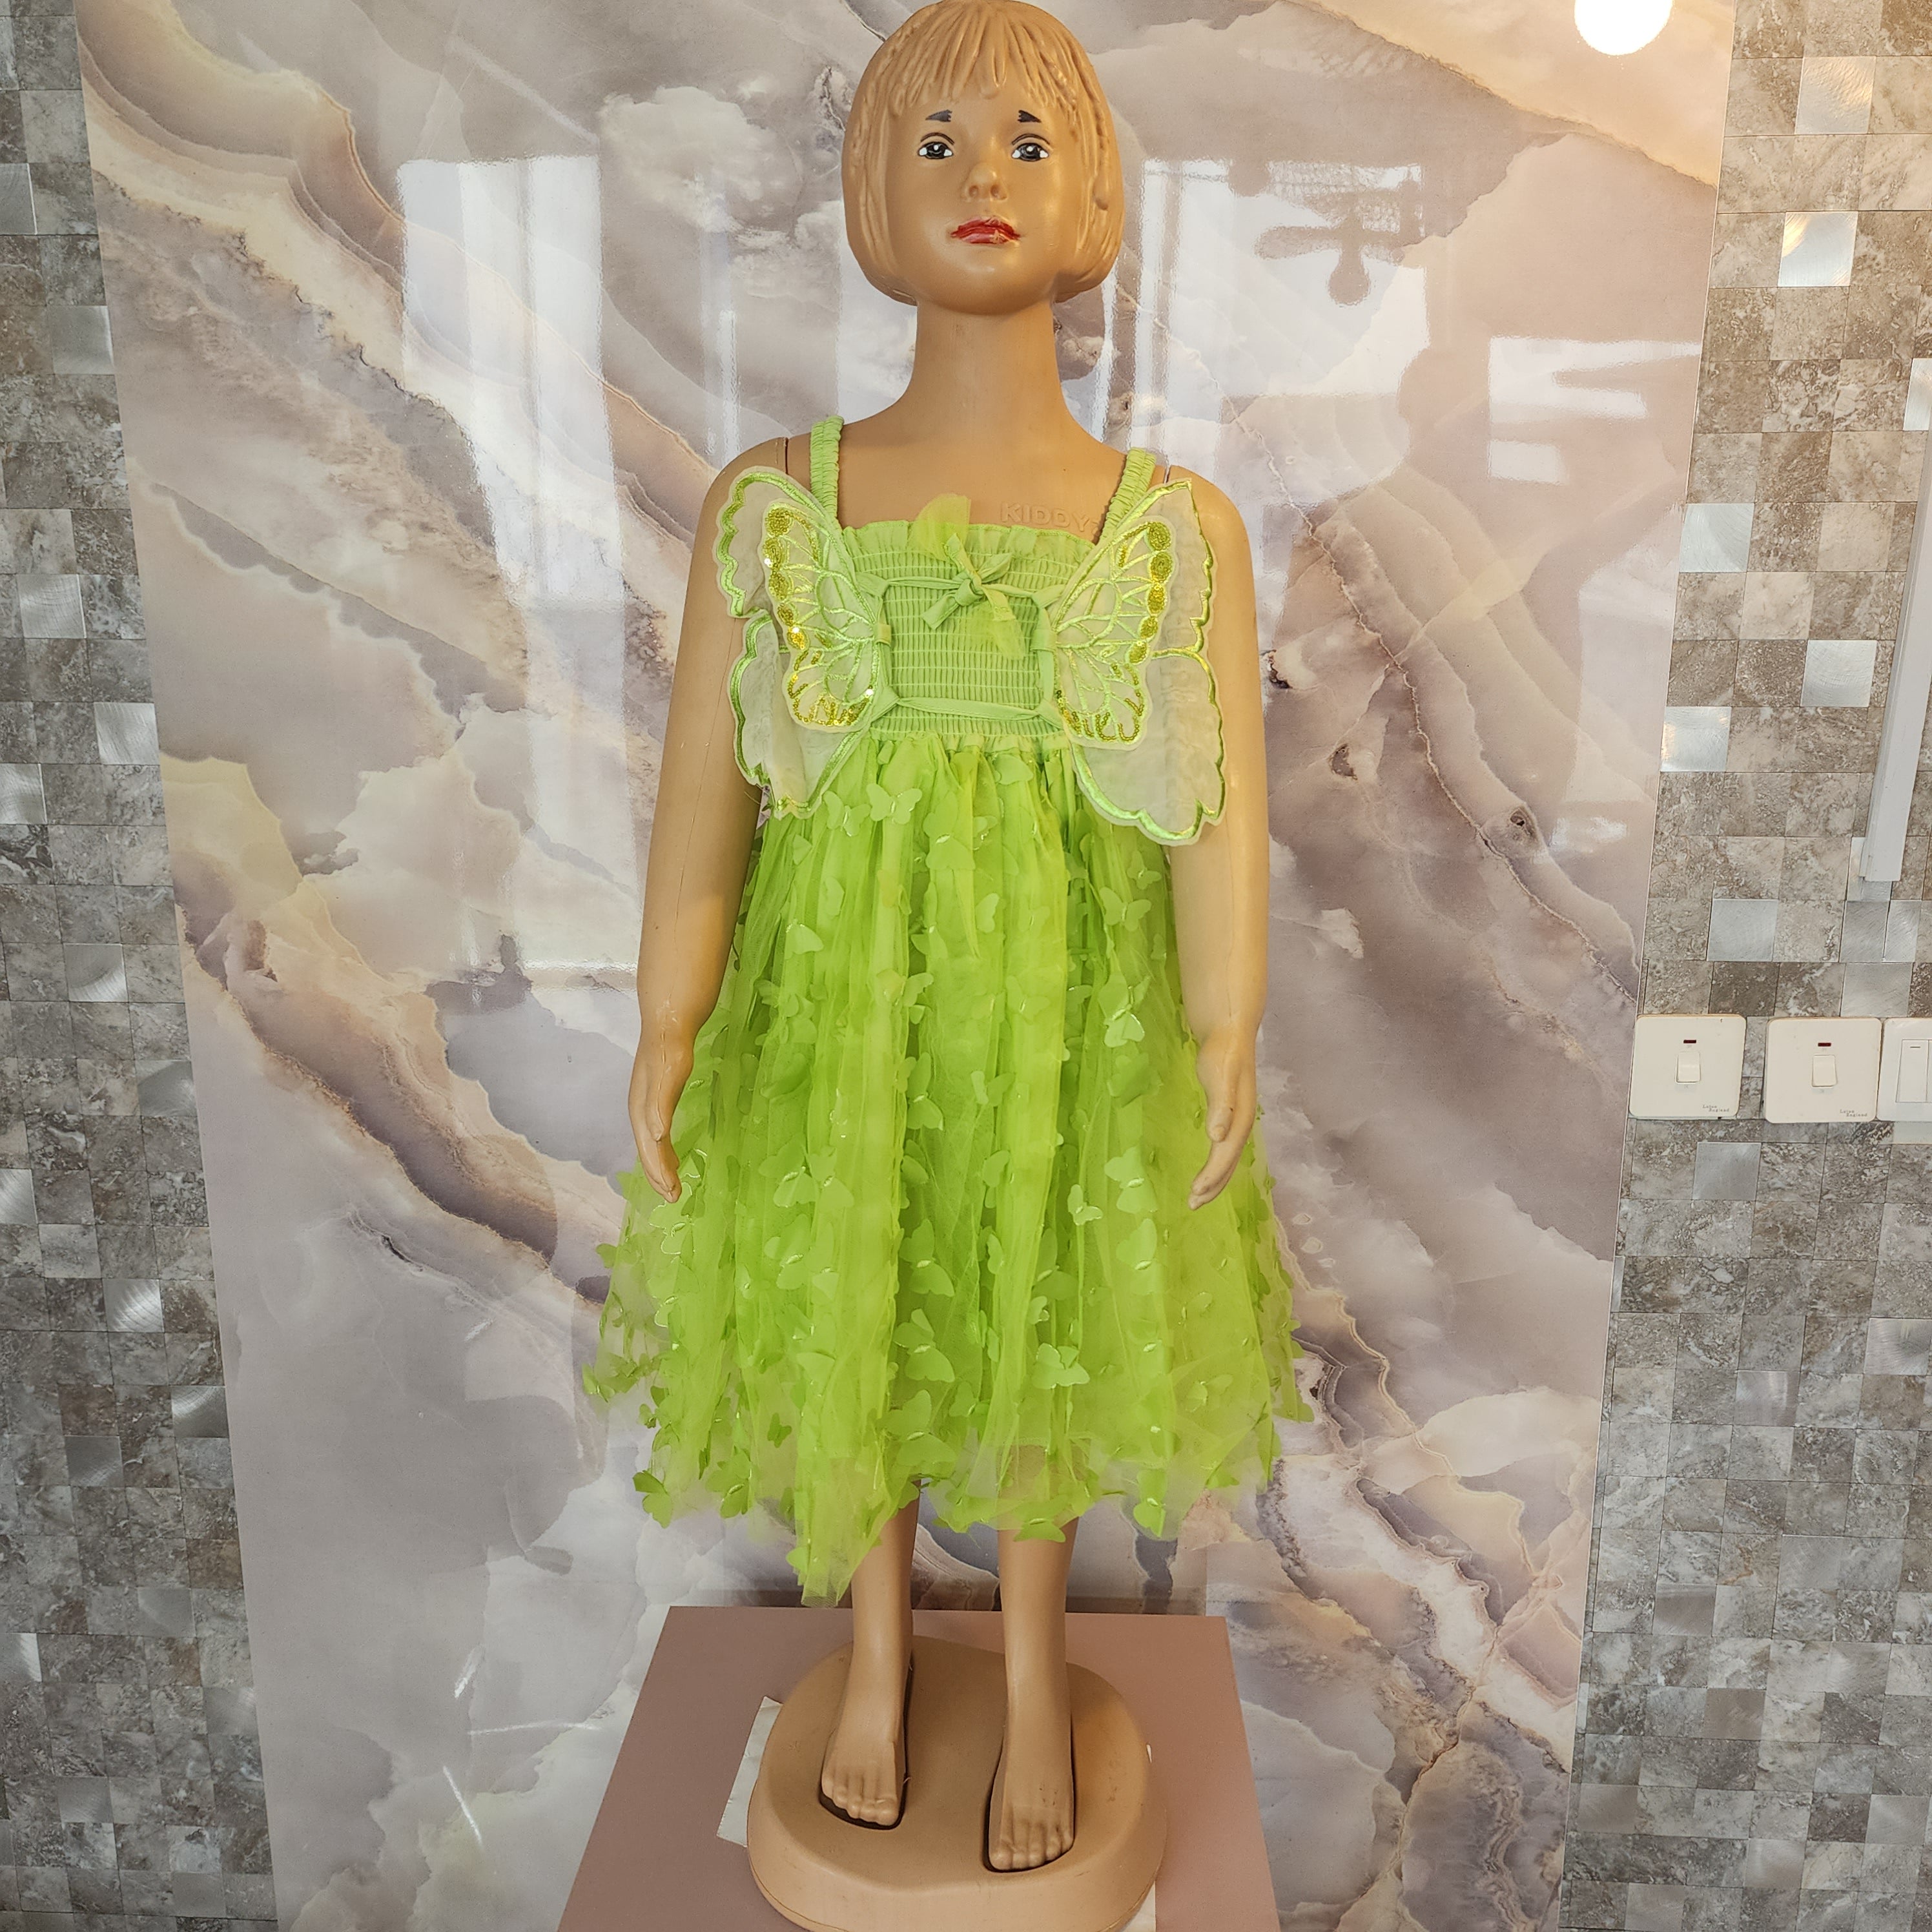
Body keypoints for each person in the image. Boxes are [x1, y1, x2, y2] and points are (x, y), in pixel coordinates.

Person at [583, 0, 1309, 1873]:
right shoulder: (777, 503)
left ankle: (1042, 1666)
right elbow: (702, 800)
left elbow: (1217, 805)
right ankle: (885, 1654)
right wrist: (669, 1010)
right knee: (869, 1297)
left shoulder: (1174, 528)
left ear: (1094, 199)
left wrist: (1224, 1019)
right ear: (870, 195)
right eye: (935, 141)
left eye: (1028, 141)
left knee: (1040, 1298)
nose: (984, 173)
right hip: (845, 1000)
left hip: (1072, 1006)